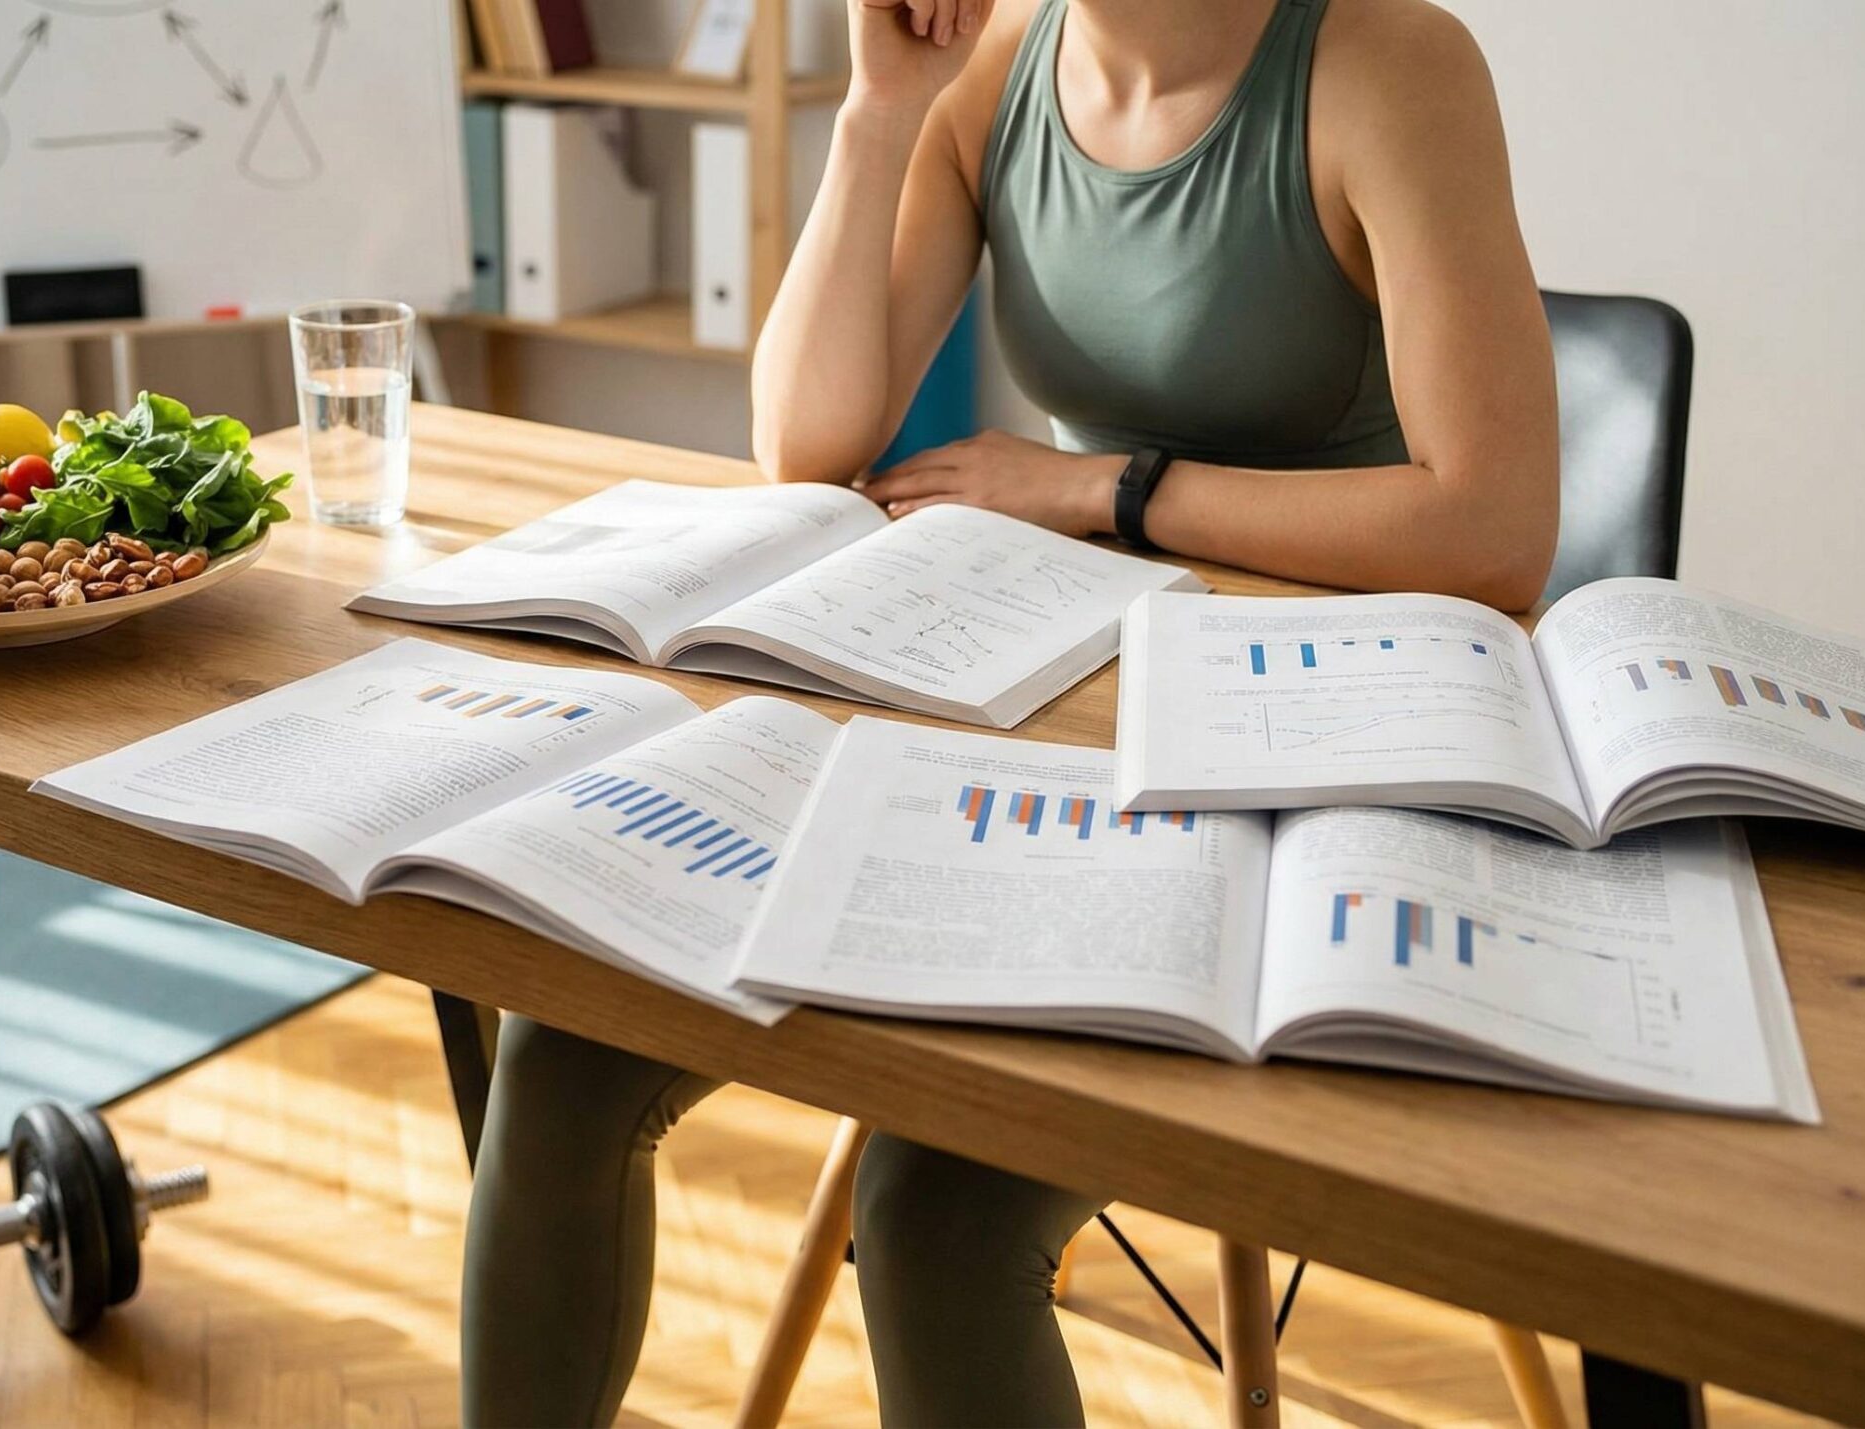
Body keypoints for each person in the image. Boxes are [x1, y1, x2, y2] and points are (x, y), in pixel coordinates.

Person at [463, 0, 1558, 1422]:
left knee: (937, 1213)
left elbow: (1492, 529)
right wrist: (879, 111)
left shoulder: (1390, 65)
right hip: (1059, 707)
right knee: (560, 1051)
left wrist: (1108, 488)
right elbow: (804, 443)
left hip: (1310, 741)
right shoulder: (986, 80)